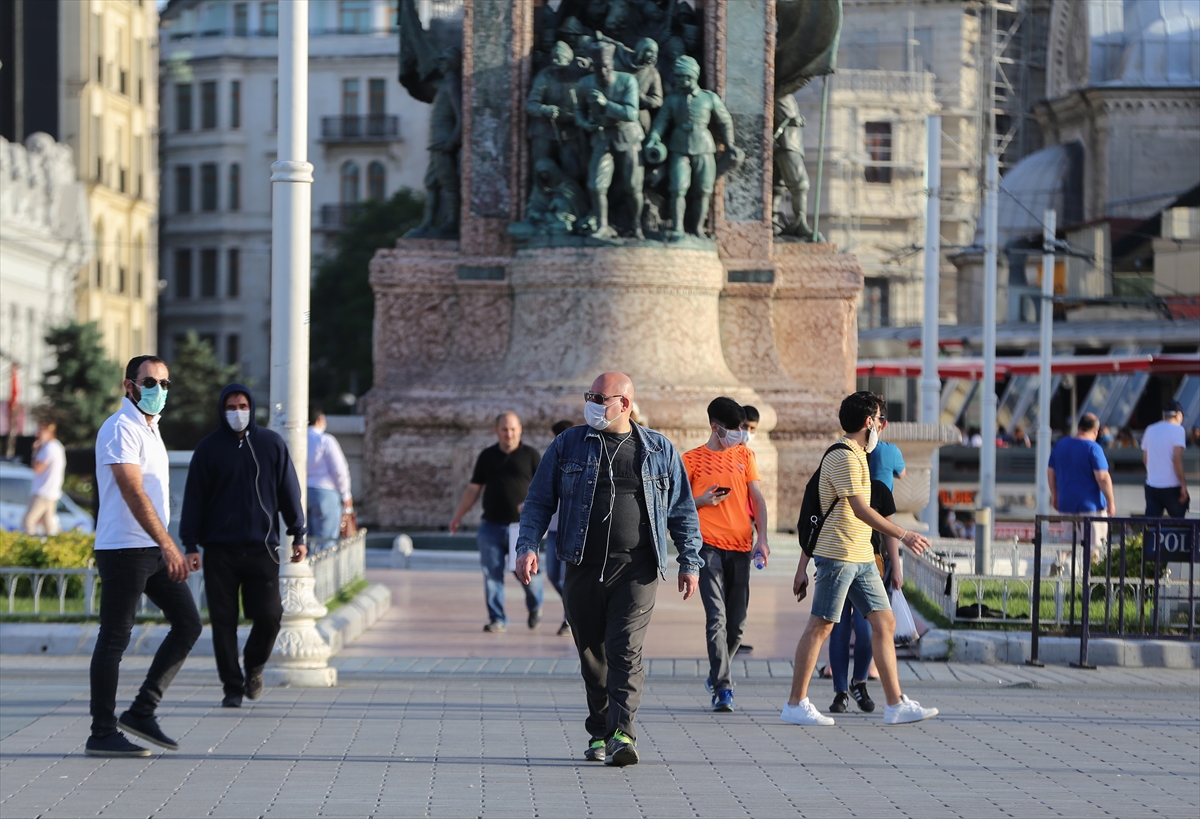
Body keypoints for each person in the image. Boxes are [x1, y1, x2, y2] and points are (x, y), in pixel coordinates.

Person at [514, 372, 702, 767]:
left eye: (602, 398)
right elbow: (537, 501)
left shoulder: (657, 449)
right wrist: (528, 546)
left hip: (636, 568)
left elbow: (683, 511)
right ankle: (600, 728)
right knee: (591, 654)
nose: (594, 404)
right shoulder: (567, 445)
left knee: (625, 649)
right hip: (582, 565)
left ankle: (622, 734)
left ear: (625, 404)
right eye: (591, 396)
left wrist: (690, 560)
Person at [781, 391, 937, 727]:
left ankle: (895, 703)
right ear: (869, 422)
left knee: (885, 623)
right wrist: (903, 534)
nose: (882, 426)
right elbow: (860, 509)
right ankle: (796, 703)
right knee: (821, 626)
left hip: (862, 555)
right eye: (880, 419)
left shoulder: (857, 455)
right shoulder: (844, 457)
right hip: (838, 555)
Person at [87, 356, 202, 757]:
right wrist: (169, 545)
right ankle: (101, 732)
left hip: (150, 547)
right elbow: (132, 492)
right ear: (128, 386)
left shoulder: (151, 430)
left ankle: (141, 711)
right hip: (124, 547)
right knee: (115, 637)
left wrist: (169, 544)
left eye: (165, 384)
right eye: (150, 382)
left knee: (188, 624)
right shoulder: (120, 428)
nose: (159, 390)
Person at [181, 384, 307, 708]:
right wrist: (190, 544)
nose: (238, 412)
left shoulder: (270, 444)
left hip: (262, 548)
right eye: (231, 406)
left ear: (252, 408)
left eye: (243, 405)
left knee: (270, 616)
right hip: (220, 551)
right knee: (224, 622)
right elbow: (194, 498)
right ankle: (232, 687)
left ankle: (254, 667)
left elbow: (289, 491)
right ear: (222, 410)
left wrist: (299, 533)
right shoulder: (208, 449)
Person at [682, 397, 769, 713]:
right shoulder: (690, 460)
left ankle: (718, 672)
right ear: (714, 427)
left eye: (741, 428)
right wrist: (701, 501)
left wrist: (764, 538)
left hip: (742, 547)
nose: (739, 434)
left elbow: (757, 499)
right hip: (707, 549)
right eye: (733, 429)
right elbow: (674, 509)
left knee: (738, 625)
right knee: (716, 618)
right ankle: (723, 687)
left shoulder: (746, 456)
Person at [449, 412, 544, 632]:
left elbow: (543, 490)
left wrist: (530, 506)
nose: (508, 434)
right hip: (490, 526)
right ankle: (497, 619)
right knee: (492, 575)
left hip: (521, 529)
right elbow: (474, 488)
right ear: (496, 431)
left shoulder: (531, 456)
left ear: (520, 429)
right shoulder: (487, 456)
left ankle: (535, 606)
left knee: (528, 577)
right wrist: (458, 515)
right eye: (504, 429)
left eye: (512, 429)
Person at [827, 477, 901, 716]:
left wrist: (896, 568)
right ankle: (840, 691)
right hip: (838, 563)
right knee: (838, 629)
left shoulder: (879, 490)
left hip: (869, 568)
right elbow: (820, 524)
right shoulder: (834, 486)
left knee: (867, 629)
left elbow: (889, 532)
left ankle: (858, 683)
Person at [575, 42, 645, 239]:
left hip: (627, 137)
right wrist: (584, 123)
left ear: (612, 64)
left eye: (606, 67)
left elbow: (631, 113)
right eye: (599, 68)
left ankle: (636, 224)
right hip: (601, 137)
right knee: (596, 185)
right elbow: (578, 110)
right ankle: (602, 225)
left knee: (633, 187)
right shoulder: (585, 84)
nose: (603, 71)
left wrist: (606, 105)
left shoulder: (628, 81)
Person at [1049, 413, 1115, 562]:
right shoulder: (1093, 448)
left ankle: (1058, 566)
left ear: (1078, 427)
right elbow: (1102, 477)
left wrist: (1055, 495)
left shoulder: (1060, 445)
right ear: (1096, 431)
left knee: (1068, 538)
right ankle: (1091, 577)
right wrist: (1110, 501)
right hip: (1091, 505)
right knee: (1095, 543)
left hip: (1066, 503)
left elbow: (1051, 472)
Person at [544, 419, 576, 636]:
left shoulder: (581, 461)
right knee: (553, 575)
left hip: (573, 529)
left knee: (567, 578)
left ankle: (569, 619)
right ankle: (575, 609)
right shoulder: (551, 460)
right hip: (554, 529)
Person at [307, 406, 353, 547]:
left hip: (300, 493)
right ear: (320, 419)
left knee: (304, 542)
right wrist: (346, 495)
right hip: (325, 493)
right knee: (325, 544)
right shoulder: (325, 440)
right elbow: (339, 470)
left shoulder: (294, 440)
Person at [1142, 400, 1190, 518]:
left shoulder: (1150, 429)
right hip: (1171, 486)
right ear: (1178, 415)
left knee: (1151, 525)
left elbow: (1145, 458)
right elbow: (1177, 458)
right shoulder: (1178, 430)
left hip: (1152, 485)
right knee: (1179, 525)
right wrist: (1183, 485)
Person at [24, 419, 66, 535]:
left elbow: (37, 468)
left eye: (41, 430)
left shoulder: (49, 448)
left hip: (43, 492)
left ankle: (31, 547)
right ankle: (52, 547)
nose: (38, 433)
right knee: (48, 526)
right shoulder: (57, 446)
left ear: (49, 432)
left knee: (28, 521)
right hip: (51, 492)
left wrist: (35, 451)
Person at [867, 409, 905, 492]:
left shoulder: (845, 450)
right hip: (880, 504)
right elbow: (902, 474)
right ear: (883, 424)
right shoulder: (890, 450)